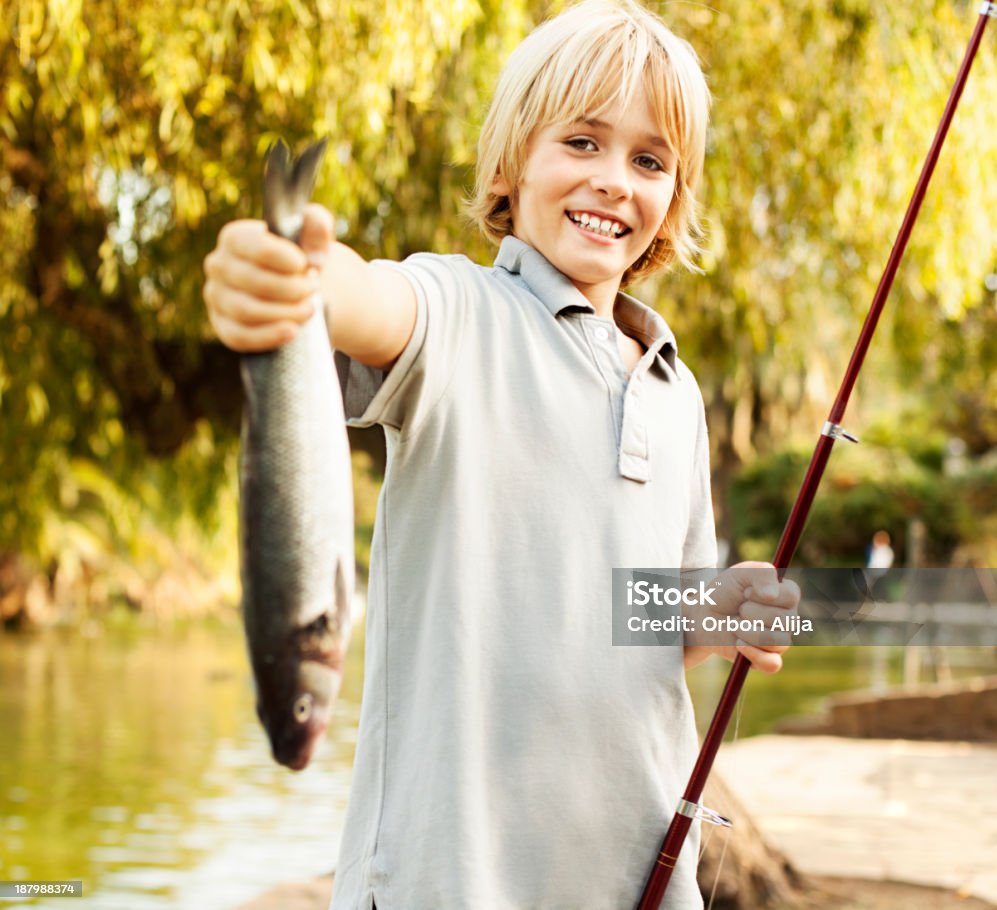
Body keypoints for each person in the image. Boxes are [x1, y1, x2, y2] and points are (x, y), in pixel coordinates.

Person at [203, 1, 800, 907]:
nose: (612, 181)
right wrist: (297, 278)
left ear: (673, 200)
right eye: (582, 143)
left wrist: (710, 609)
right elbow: (370, 299)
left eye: (649, 161)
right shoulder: (460, 312)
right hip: (454, 876)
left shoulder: (678, 396)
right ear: (512, 165)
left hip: (634, 872)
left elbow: (632, 620)